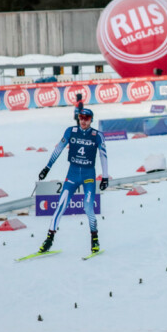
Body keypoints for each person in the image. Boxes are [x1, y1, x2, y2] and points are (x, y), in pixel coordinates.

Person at [37, 108, 109, 254]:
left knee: (88, 207)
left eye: (86, 118)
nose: (83, 121)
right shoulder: (71, 131)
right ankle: (49, 239)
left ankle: (94, 239)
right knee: (61, 205)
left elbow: (103, 155)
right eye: (81, 117)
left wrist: (105, 176)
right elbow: (58, 149)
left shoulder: (97, 135)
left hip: (89, 176)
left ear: (91, 120)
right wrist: (47, 168)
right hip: (72, 174)